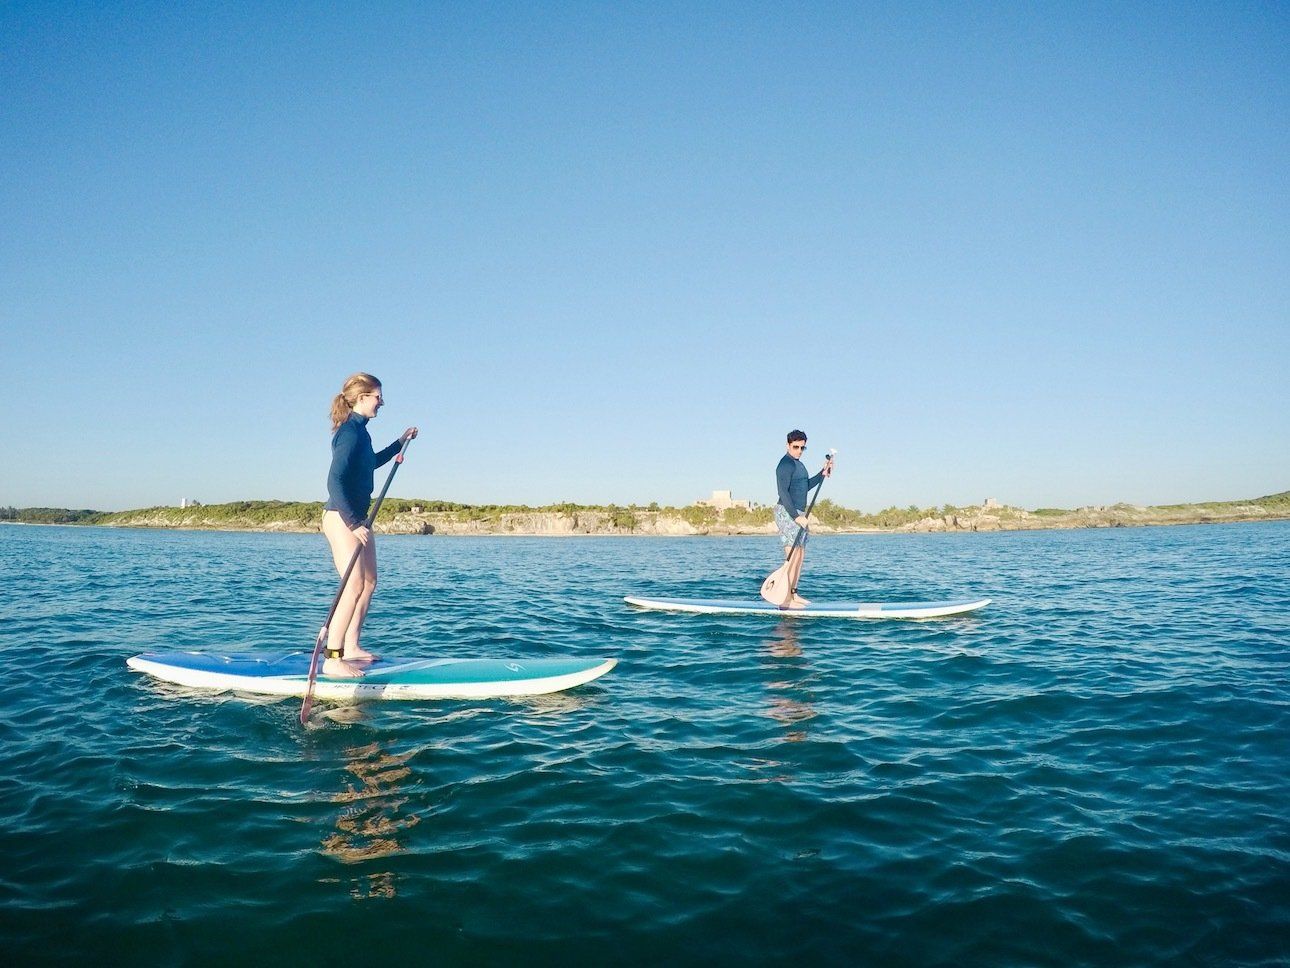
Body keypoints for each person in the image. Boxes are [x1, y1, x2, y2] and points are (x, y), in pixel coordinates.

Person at [321, 373, 417, 677]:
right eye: (377, 396)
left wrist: (399, 443)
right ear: (362, 397)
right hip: (341, 517)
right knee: (353, 586)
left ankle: (351, 645)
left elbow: (370, 463)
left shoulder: (362, 434)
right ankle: (333, 657)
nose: (382, 402)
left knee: (370, 581)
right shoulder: (349, 432)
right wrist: (352, 522)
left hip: (358, 518)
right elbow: (334, 480)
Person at [774, 429, 833, 609]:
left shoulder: (799, 465)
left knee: (799, 555)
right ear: (788, 445)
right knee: (791, 556)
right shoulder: (785, 465)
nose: (799, 450)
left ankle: (793, 594)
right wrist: (795, 516)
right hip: (787, 511)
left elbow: (805, 486)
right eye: (796, 447)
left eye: (802, 447)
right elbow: (783, 493)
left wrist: (822, 473)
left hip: (799, 512)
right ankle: (785, 599)